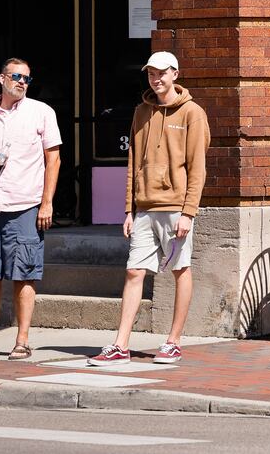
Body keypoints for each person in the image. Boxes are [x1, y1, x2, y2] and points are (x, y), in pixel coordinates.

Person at [89, 50, 210, 367]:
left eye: (161, 73)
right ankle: (121, 345)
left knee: (180, 269)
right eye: (150, 73)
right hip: (144, 208)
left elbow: (198, 168)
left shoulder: (192, 113)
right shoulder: (141, 112)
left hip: (175, 207)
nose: (155, 78)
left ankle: (173, 342)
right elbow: (133, 163)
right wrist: (129, 209)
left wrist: (188, 211)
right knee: (133, 271)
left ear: (175, 74)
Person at [0, 57, 62, 361]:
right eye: (17, 77)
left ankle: (22, 340)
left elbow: (53, 159)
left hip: (24, 207)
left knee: (24, 274)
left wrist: (47, 203)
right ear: (2, 79)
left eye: (27, 79)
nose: (22, 82)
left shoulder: (41, 113)